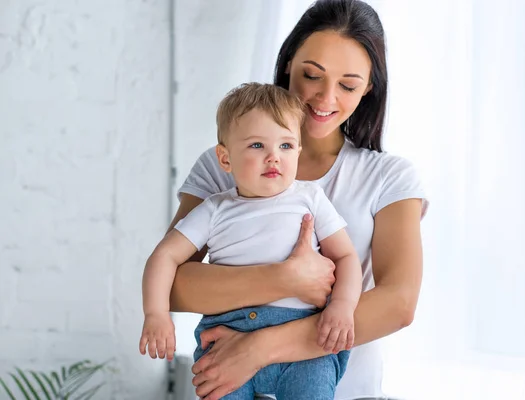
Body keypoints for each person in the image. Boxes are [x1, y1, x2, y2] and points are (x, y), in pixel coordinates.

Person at [169, 0, 429, 399]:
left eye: (348, 85)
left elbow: (398, 303)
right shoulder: (226, 163)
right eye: (312, 75)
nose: (325, 98)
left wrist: (259, 349)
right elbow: (174, 284)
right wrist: (286, 278)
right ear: (288, 63)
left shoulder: (388, 178)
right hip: (233, 386)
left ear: (369, 89)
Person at [139, 83, 363, 399]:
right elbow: (164, 257)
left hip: (299, 344)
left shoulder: (310, 199)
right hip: (226, 337)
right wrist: (156, 314)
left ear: (299, 150)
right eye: (257, 145)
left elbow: (346, 258)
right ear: (225, 158)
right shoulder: (214, 209)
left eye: (286, 145)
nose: (274, 157)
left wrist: (342, 305)